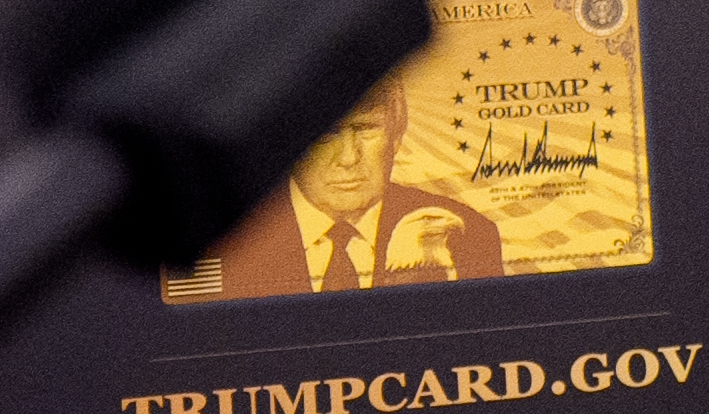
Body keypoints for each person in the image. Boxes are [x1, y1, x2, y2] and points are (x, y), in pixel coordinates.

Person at [213, 96, 505, 295]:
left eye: (366, 129)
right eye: (325, 133)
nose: (349, 158)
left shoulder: (465, 232)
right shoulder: (225, 239)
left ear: (397, 136)